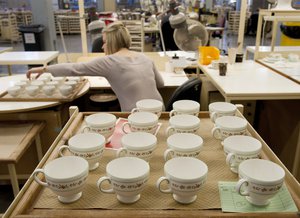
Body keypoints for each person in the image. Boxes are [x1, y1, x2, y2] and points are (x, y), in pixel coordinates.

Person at [26, 21, 165, 112]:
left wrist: (45, 69)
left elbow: (75, 68)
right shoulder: (144, 57)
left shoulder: (109, 62)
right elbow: (161, 83)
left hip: (136, 115)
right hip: (161, 110)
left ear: (112, 42)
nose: (103, 46)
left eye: (104, 42)